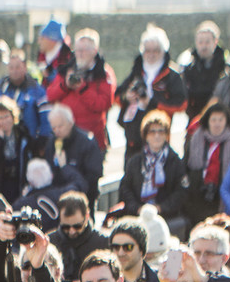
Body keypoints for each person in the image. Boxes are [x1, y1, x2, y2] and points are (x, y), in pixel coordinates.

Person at [115, 26, 186, 155]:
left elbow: (181, 104)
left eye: (156, 51)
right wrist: (127, 97)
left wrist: (153, 103)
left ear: (163, 51)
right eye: (147, 51)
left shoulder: (172, 75)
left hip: (159, 136)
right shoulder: (136, 71)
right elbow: (116, 96)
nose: (151, 54)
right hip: (133, 137)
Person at [117, 112, 186, 231]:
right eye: (152, 132)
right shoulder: (135, 161)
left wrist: (160, 208)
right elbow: (125, 188)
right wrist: (137, 208)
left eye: (161, 132)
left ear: (166, 135)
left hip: (166, 218)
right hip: (138, 216)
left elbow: (181, 191)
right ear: (145, 135)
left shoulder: (175, 161)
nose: (156, 136)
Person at [42, 105, 105, 211]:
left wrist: (66, 168)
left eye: (60, 126)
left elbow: (94, 174)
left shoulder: (86, 142)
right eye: (54, 128)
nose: (57, 131)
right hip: (58, 198)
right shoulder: (52, 142)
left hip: (83, 199)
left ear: (70, 123)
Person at [45, 192, 109, 282]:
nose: (72, 231)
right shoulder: (49, 242)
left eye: (77, 226)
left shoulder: (102, 242)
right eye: (66, 227)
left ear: (87, 216)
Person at [0, 47, 49, 141]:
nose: (14, 71)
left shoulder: (37, 91)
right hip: (2, 141)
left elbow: (45, 120)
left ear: (25, 67)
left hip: (30, 141)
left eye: (18, 67)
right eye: (11, 67)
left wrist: (43, 141)